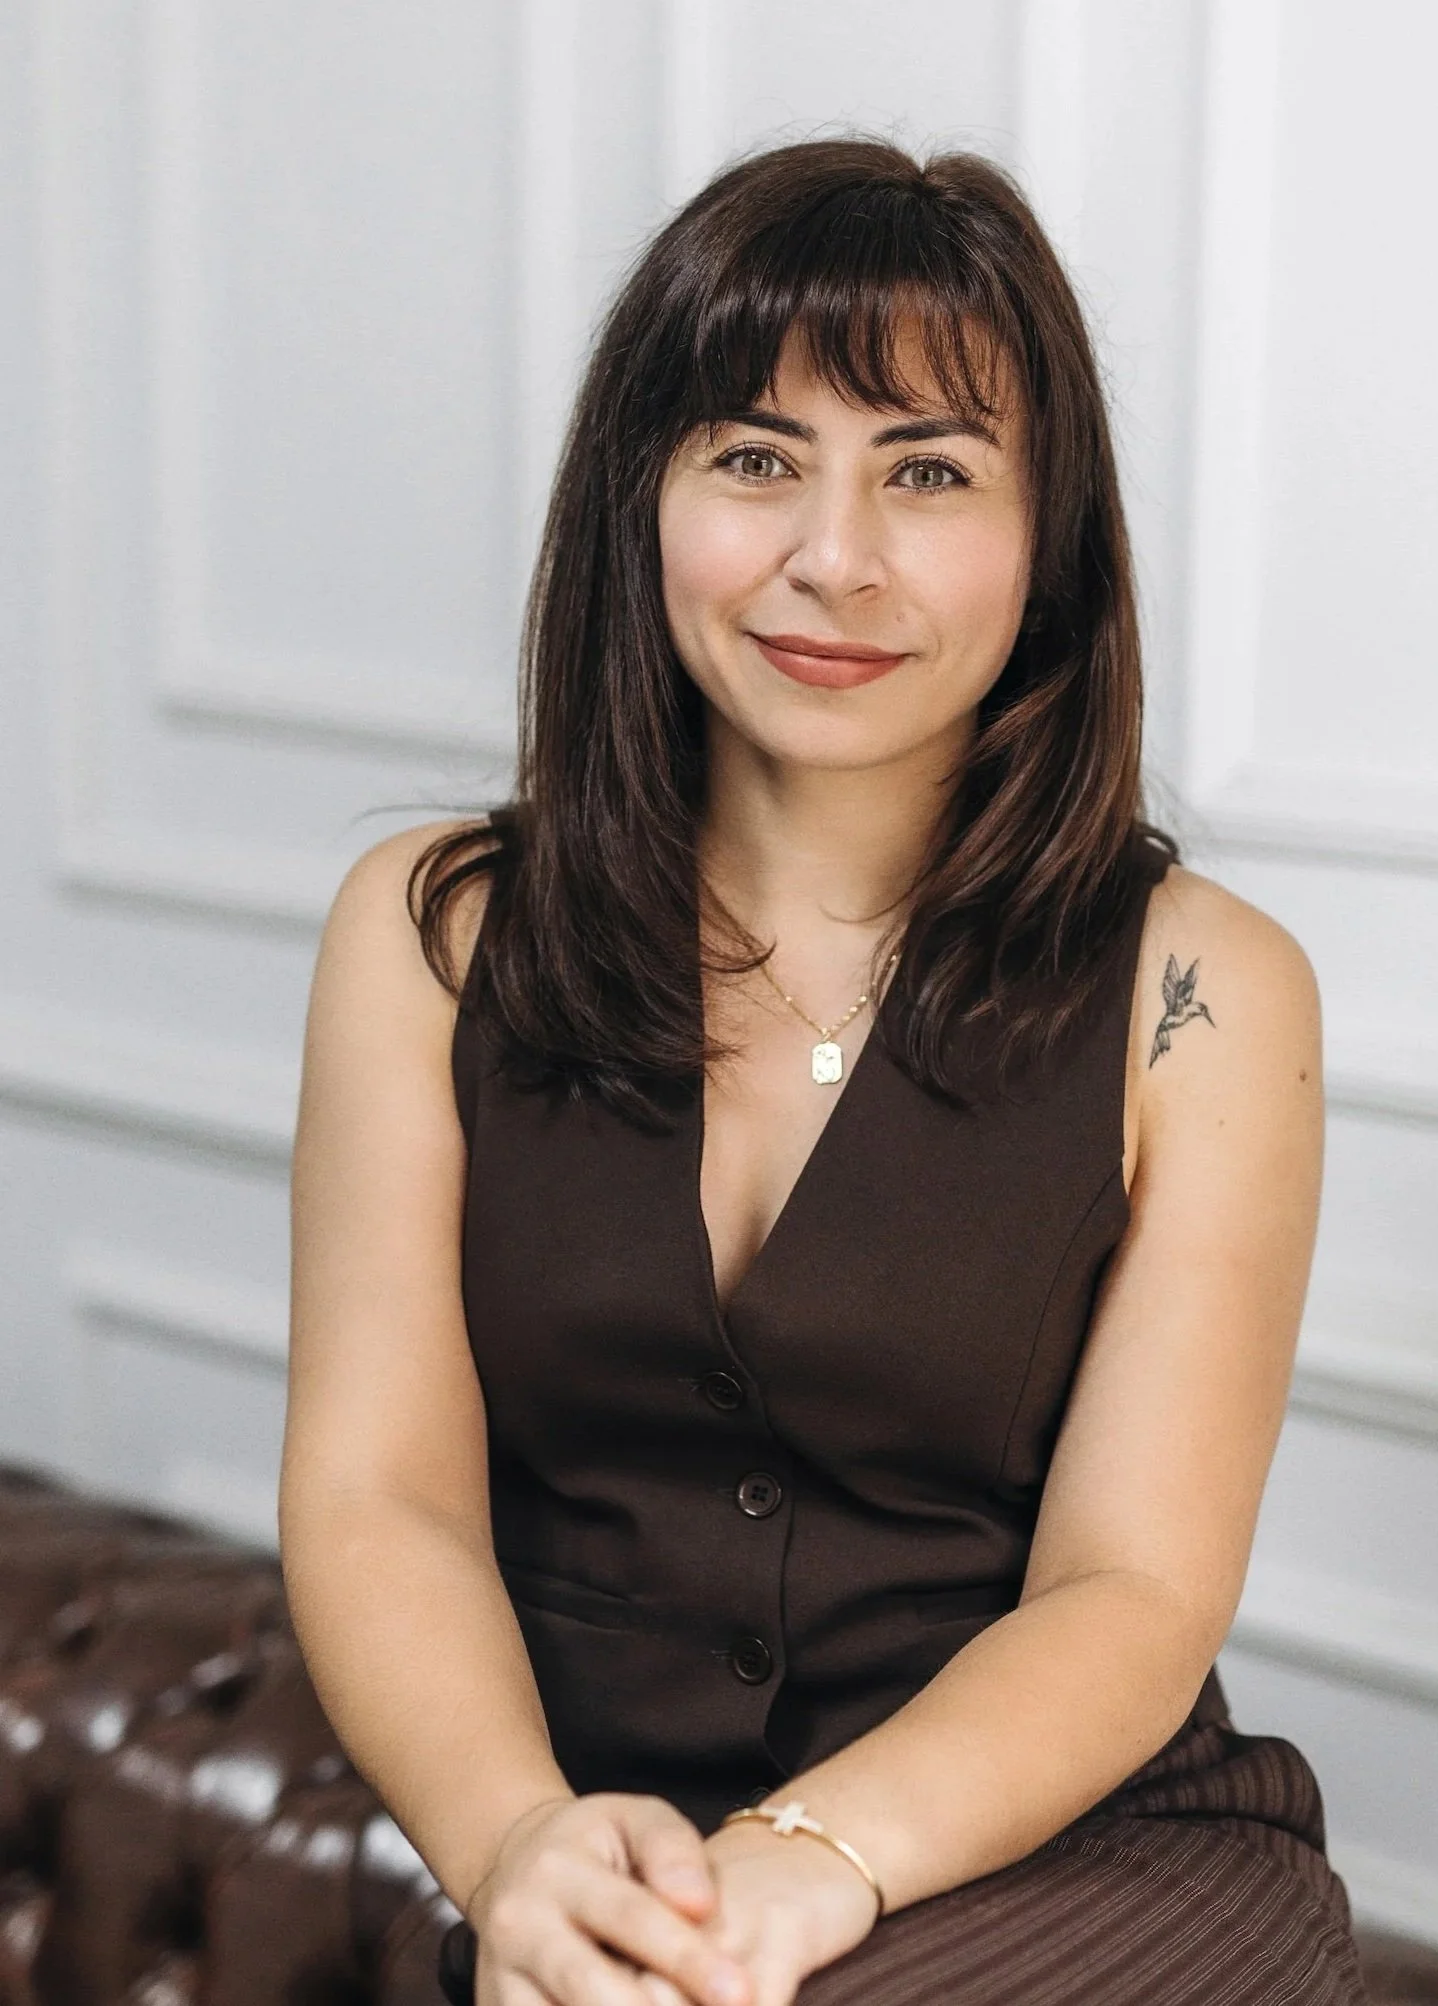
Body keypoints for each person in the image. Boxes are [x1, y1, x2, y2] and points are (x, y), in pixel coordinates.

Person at [280, 138, 1368, 2006]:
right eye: (755, 459)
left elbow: (1132, 1586)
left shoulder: (1207, 993)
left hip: (1079, 1868)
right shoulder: (433, 935)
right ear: (642, 497)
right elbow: (385, 1495)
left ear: (1050, 538)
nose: (833, 558)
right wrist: (519, 1844)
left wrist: (812, 1856)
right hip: (627, 1889)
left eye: (927, 471)